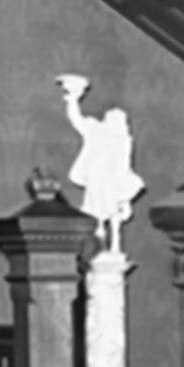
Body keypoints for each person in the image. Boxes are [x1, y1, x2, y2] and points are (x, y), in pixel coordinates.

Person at [56, 74, 144, 253]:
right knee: (96, 214)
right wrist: (72, 99)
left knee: (112, 213)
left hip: (111, 180)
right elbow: (77, 120)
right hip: (97, 178)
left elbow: (123, 164)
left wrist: (124, 192)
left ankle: (115, 245)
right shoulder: (96, 131)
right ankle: (99, 245)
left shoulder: (122, 140)